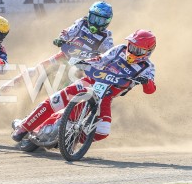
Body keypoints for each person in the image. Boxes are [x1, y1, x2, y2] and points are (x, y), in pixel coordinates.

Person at [11, 29, 157, 143]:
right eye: (131, 46)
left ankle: (71, 139)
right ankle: (23, 127)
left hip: (106, 96)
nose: (132, 50)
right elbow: (101, 59)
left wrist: (146, 82)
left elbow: (151, 90)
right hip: (91, 81)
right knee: (55, 100)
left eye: (138, 49)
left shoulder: (147, 67)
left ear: (148, 52)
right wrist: (85, 61)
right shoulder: (119, 49)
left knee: (102, 131)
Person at [0, 1, 114, 98]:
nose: (95, 22)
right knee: (36, 70)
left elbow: (109, 54)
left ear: (107, 21)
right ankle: (1, 92)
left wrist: (101, 59)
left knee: (80, 88)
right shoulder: (82, 23)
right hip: (65, 56)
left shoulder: (106, 37)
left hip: (83, 66)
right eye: (93, 18)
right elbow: (69, 31)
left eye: (99, 20)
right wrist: (61, 38)